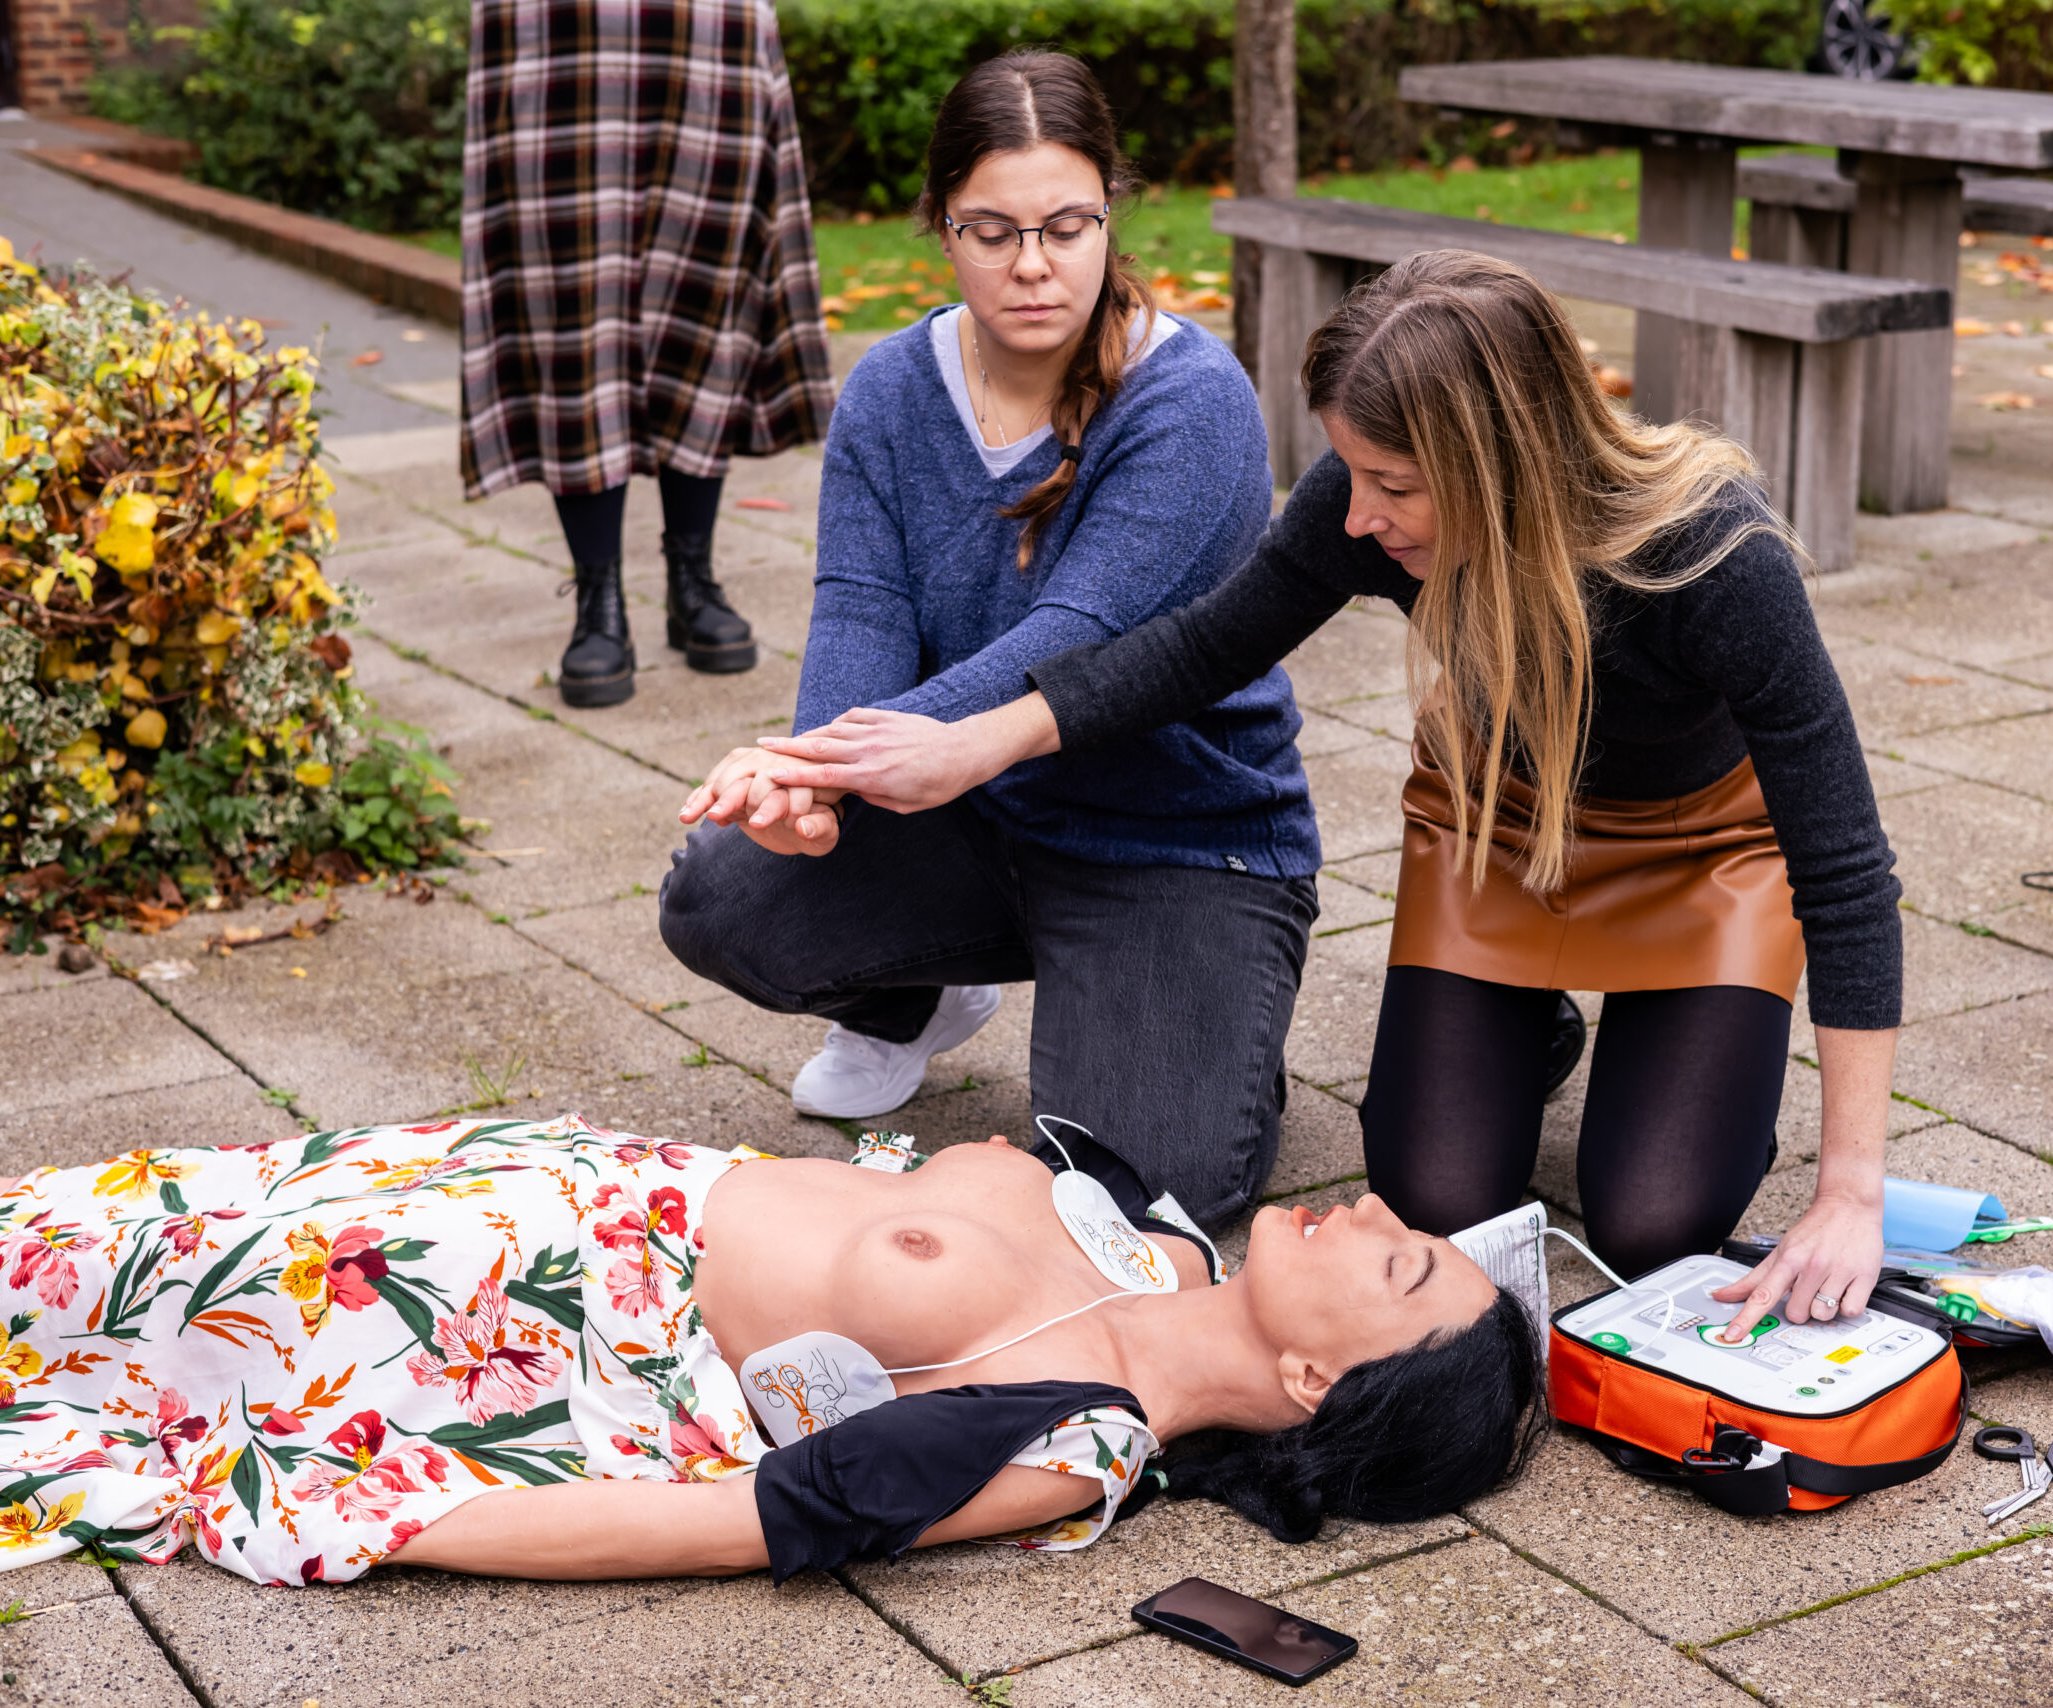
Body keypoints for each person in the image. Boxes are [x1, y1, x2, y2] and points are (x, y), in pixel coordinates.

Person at [741, 251, 1904, 1345]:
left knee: (1654, 1225)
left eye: (1393, 486)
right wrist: (974, 743)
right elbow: (1201, 647)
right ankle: (1525, 1024)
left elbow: (1845, 871)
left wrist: (1850, 1190)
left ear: (1503, 467)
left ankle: (1666, 1034)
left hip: (1702, 855)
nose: (1354, 520)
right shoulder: (1364, 506)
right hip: (1495, 830)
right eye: (1352, 474)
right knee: (1437, 1199)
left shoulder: (1712, 557)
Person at [0, 1117, 1537, 1585]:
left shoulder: (1070, 1442)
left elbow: (746, 1522)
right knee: (132, 1200)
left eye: (1395, 1259)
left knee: (26, 1304)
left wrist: (395, 1513)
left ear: (1329, 1386)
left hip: (500, 1302)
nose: (1373, 1203)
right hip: (564, 1172)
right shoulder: (1164, 1241)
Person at [657, 53, 1316, 1228]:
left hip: (1175, 840)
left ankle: (1210, 1007)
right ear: (939, 229)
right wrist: (812, 793)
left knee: (1143, 1193)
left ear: (1111, 212)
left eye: (1067, 226)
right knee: (721, 892)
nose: (1032, 265)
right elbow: (860, 608)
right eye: (991, 230)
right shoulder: (892, 391)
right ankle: (920, 993)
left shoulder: (1192, 404)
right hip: (971, 817)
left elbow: (1077, 640)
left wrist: (819, 760)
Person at [459, 0, 836, 708]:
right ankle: (597, 589)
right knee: (566, 301)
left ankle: (690, 570)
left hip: (702, 24)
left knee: (709, 284)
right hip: (558, 27)